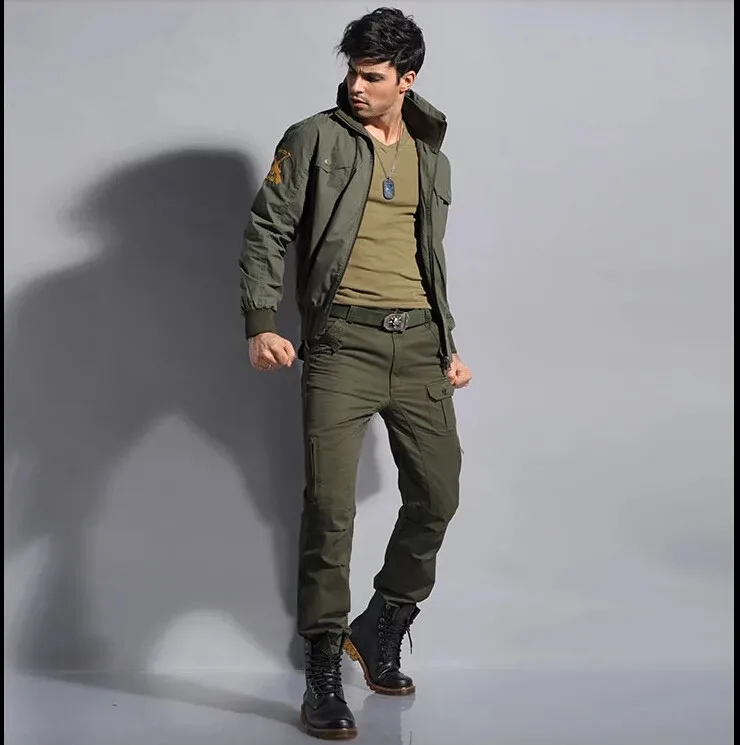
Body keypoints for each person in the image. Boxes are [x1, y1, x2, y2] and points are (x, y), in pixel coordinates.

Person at [239, 7, 472, 740]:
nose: (356, 86)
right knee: (330, 508)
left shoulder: (432, 159)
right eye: (352, 73)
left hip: (421, 344)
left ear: (407, 79)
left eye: (372, 76)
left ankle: (382, 624)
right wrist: (262, 320)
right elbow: (267, 229)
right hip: (341, 344)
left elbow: (427, 260)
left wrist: (448, 343)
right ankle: (321, 665)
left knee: (438, 493)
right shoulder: (313, 139)